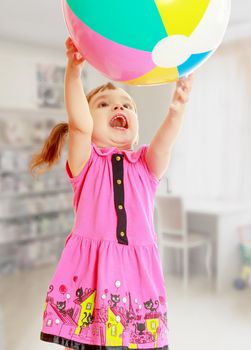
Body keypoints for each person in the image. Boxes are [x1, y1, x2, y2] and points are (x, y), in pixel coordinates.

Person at [30, 37, 193, 350]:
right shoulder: (86, 162)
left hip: (137, 272)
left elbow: (166, 142)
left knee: (137, 340)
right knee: (85, 342)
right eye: (103, 104)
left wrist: (176, 110)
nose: (119, 106)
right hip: (91, 272)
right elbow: (78, 126)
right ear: (91, 121)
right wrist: (74, 73)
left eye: (127, 104)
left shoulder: (146, 165)